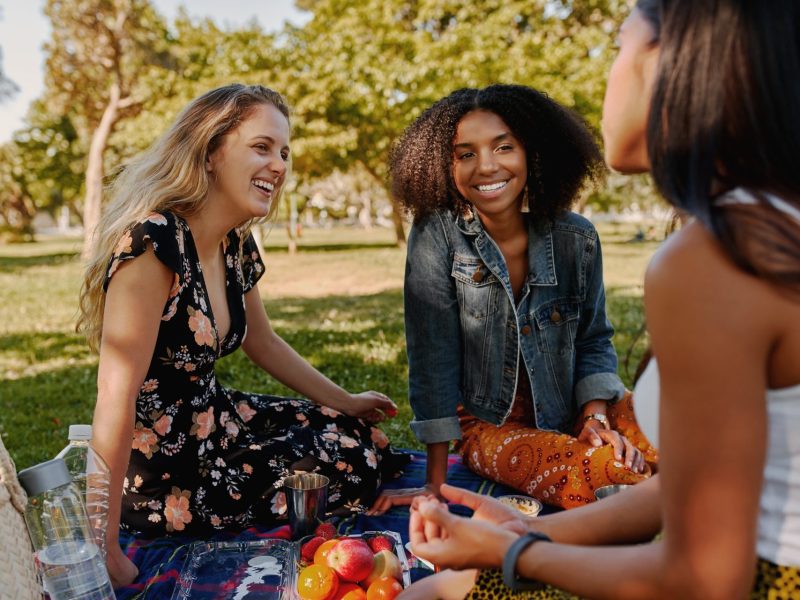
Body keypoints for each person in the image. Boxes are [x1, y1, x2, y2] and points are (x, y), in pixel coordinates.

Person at [402, 0, 800, 597]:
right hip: (499, 430)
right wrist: (517, 534)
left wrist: (514, 554)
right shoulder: (769, 223)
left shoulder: (711, 258)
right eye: (465, 152)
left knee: (433, 592)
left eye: (617, 45)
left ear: (671, 63)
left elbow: (703, 580)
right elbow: (685, 489)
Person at [77, 84, 409, 587]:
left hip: (219, 421)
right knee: (348, 462)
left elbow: (263, 342)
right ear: (211, 151)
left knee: (357, 435)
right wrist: (100, 545)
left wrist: (347, 401)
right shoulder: (153, 243)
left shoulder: (235, 243)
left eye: (283, 152)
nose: (278, 164)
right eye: (262, 147)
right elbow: (114, 396)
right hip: (166, 470)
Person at [371, 84, 655, 515]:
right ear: (443, 167)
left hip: (577, 408)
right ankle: (647, 491)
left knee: (690, 426)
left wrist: (596, 419)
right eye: (465, 154)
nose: (486, 166)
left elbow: (594, 340)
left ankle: (658, 486)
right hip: (490, 427)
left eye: (503, 147)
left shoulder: (577, 238)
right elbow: (433, 361)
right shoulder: (437, 236)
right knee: (602, 472)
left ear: (532, 153)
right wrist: (434, 484)